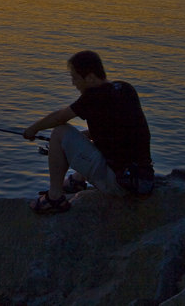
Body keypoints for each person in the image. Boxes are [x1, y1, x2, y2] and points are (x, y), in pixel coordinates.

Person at [22, 50, 153, 213]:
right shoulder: (125, 89)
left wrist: (32, 129)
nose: (73, 83)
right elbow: (112, 133)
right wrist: (79, 139)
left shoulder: (93, 97)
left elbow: (60, 118)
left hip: (120, 184)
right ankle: (77, 180)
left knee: (59, 132)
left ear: (90, 77)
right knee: (86, 137)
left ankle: (54, 198)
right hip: (142, 179)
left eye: (75, 78)